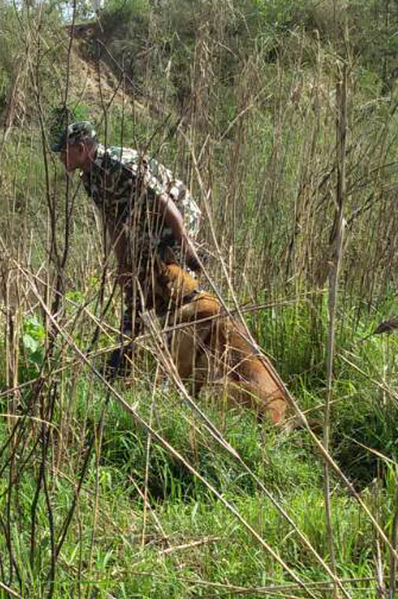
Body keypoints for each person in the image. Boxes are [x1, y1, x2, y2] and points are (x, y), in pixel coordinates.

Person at [52, 119, 290, 423]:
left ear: (81, 148)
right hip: (147, 227)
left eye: (64, 152)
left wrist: (186, 244)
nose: (61, 158)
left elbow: (165, 202)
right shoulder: (90, 179)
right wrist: (122, 262)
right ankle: (124, 362)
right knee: (138, 289)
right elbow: (114, 222)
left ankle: (172, 366)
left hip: (175, 220)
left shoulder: (118, 164)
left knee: (169, 284)